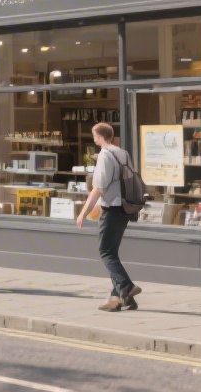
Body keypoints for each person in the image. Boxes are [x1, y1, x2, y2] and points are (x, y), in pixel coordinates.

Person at [77, 122, 142, 312]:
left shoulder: (105, 155)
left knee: (106, 252)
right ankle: (120, 299)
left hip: (111, 209)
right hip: (124, 209)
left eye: (94, 135)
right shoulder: (123, 153)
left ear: (99, 136)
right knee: (112, 252)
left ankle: (127, 286)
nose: (93, 138)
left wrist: (84, 212)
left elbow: (98, 188)